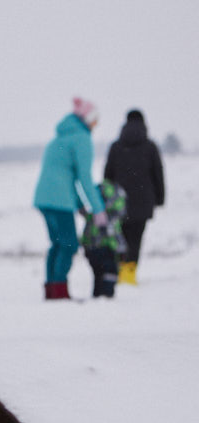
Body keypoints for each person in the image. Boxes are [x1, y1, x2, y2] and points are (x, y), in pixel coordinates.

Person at [33, 97, 107, 300]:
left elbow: (65, 176)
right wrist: (98, 208)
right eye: (94, 119)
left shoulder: (59, 138)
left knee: (57, 244)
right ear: (86, 119)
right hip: (59, 201)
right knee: (68, 245)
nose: (95, 124)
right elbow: (84, 177)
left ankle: (51, 289)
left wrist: (79, 203)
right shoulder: (81, 139)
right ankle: (59, 291)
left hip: (44, 199)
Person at [104, 109, 165, 285]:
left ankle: (119, 270)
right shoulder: (150, 147)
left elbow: (107, 175)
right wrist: (160, 199)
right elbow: (158, 174)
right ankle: (129, 274)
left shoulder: (116, 147)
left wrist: (107, 199)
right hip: (144, 201)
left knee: (120, 237)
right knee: (136, 239)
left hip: (119, 202)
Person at [80, 180, 127, 298]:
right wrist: (122, 249)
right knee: (109, 272)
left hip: (91, 250)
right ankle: (106, 295)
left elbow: (86, 234)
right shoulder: (110, 219)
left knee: (98, 274)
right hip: (106, 250)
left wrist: (85, 245)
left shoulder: (93, 217)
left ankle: (97, 294)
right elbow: (115, 236)